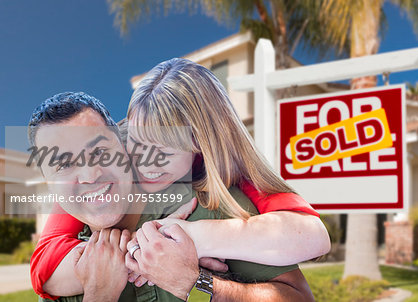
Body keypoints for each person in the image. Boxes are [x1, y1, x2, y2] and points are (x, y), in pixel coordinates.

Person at [29, 59, 329, 299]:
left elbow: (312, 237)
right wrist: (136, 252)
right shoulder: (92, 175)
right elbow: (44, 265)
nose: (146, 161)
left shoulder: (218, 190)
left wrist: (192, 242)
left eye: (164, 150)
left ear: (200, 148)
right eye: (136, 141)